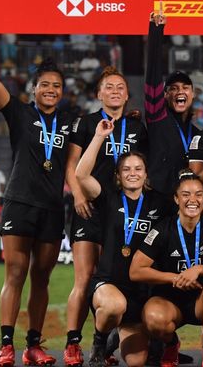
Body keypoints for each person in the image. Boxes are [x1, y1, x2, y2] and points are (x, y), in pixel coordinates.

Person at [0, 8, 75, 367]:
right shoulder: (19, 113)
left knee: (42, 278)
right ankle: (6, 345)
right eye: (45, 84)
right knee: (14, 273)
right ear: (34, 89)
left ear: (62, 92)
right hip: (19, 202)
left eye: (56, 86)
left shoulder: (70, 120)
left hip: (51, 208)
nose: (50, 90)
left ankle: (33, 345)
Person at [63, 66, 149, 366]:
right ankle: (73, 343)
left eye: (120, 87)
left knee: (116, 276)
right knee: (85, 278)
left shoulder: (138, 128)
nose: (114, 91)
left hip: (125, 212)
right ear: (99, 94)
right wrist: (77, 195)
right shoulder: (86, 123)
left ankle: (108, 340)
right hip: (92, 207)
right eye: (108, 87)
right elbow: (72, 164)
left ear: (127, 94)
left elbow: (143, 168)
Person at [74, 118, 169, 367]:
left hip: (142, 292)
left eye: (138, 169)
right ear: (118, 175)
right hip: (110, 285)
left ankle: (121, 335)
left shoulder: (159, 203)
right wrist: (98, 137)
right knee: (115, 306)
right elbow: (81, 175)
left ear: (146, 174)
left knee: (137, 361)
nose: (132, 173)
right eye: (126, 169)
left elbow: (192, 205)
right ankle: (100, 341)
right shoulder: (108, 198)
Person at [130, 173, 203, 367]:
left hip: (202, 300)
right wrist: (173, 277)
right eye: (186, 194)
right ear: (176, 199)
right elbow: (136, 270)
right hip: (168, 300)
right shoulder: (162, 229)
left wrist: (198, 269)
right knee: (153, 319)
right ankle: (170, 344)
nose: (192, 200)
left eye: (198, 195)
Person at [144, 7, 201, 196]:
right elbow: (152, 76)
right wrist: (156, 31)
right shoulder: (157, 117)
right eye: (173, 88)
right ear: (165, 95)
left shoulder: (199, 134)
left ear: (193, 94)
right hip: (158, 200)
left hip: (187, 202)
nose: (180, 92)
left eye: (185, 88)